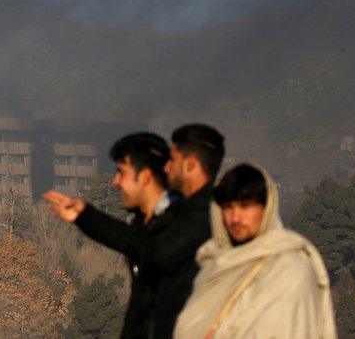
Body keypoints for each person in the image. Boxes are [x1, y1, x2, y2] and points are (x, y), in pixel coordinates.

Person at [44, 125, 225, 338]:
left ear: (146, 176)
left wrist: (88, 217)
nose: (115, 181)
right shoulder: (149, 221)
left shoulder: (201, 216)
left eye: (122, 172)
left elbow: (154, 250)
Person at [174, 164, 337, 339]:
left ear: (266, 208)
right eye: (228, 207)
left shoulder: (291, 270)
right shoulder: (212, 268)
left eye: (245, 206)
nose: (235, 218)